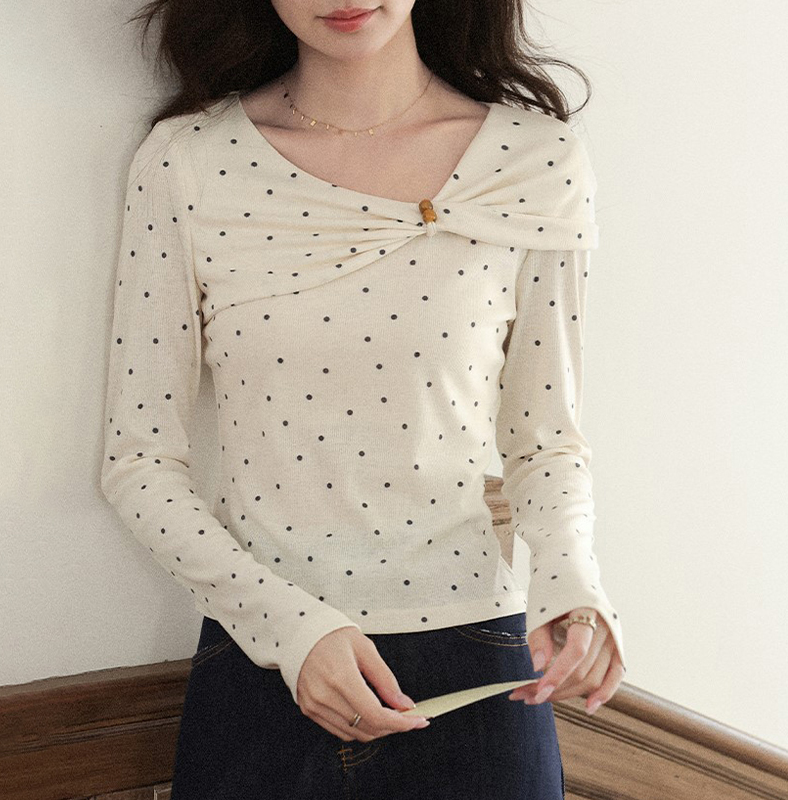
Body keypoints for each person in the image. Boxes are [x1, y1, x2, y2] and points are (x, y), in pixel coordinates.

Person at [101, 1, 627, 797]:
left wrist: (572, 586)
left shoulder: (534, 160)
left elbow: (545, 441)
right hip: (264, 664)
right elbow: (138, 461)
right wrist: (293, 628)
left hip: (478, 667)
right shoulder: (189, 162)